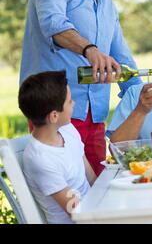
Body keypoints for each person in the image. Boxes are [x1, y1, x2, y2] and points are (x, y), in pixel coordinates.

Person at [19, 0, 142, 176]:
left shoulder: (108, 6)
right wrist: (90, 50)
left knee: (99, 187)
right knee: (68, 193)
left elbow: (122, 56)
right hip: (54, 111)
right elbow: (54, 26)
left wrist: (143, 98)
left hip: (95, 115)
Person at [18, 71, 96, 224]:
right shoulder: (40, 159)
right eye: (69, 101)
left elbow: (91, 177)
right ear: (54, 116)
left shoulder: (67, 130)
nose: (73, 103)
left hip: (95, 210)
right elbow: (76, 211)